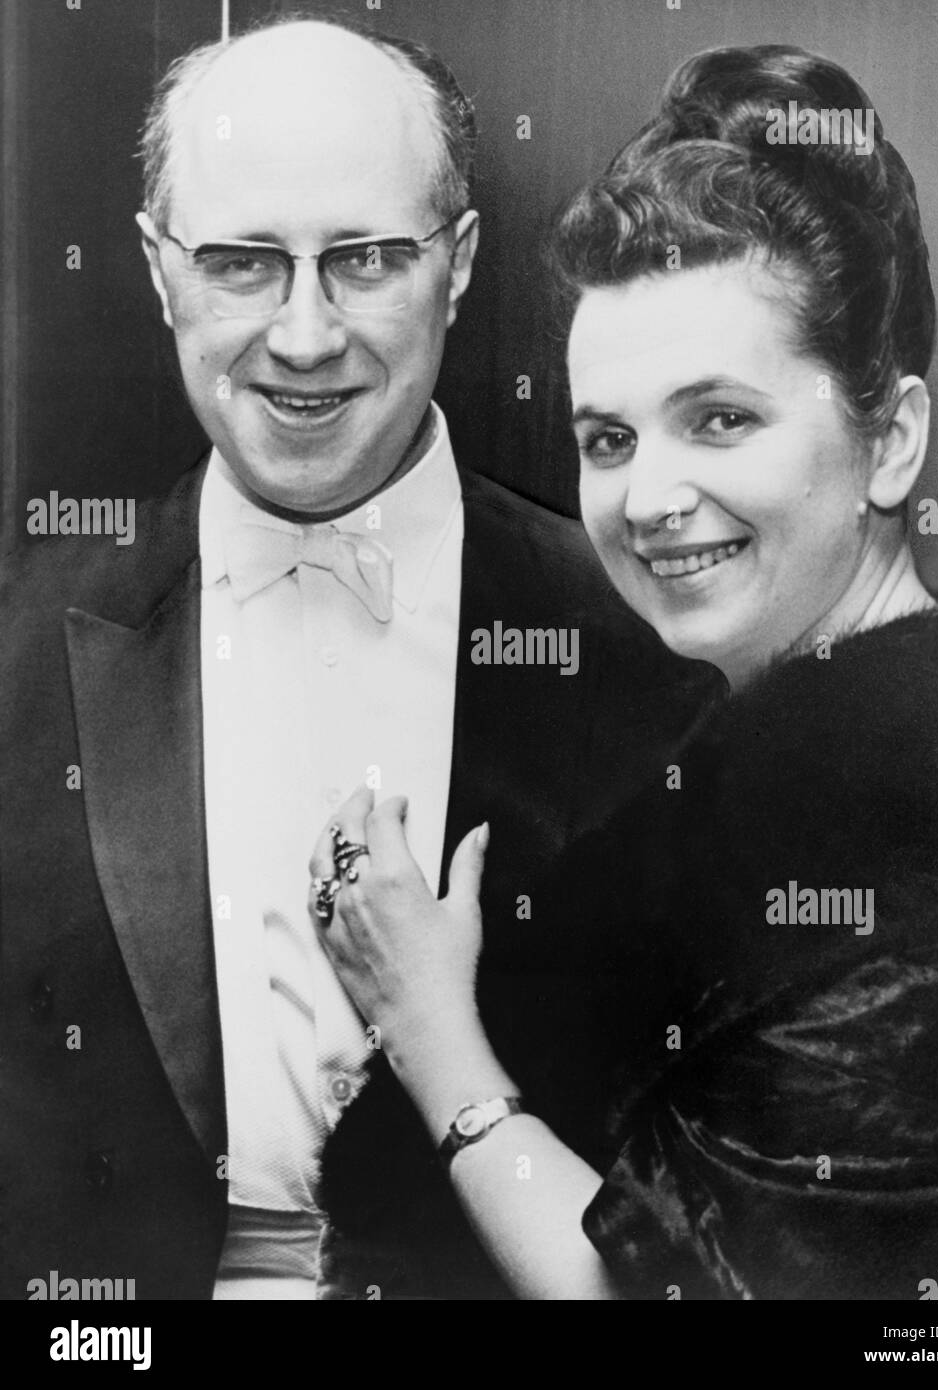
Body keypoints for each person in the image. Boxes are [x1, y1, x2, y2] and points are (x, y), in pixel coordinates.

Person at [310, 45, 938, 1300]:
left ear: (891, 440)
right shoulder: (701, 770)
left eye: (719, 419)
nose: (647, 499)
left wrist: (430, 1028)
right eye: (608, 437)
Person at [0, 16, 713, 1301]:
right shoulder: (11, 646)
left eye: (368, 259)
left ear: (458, 265)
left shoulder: (653, 652)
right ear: (160, 273)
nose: (307, 336)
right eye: (240, 265)